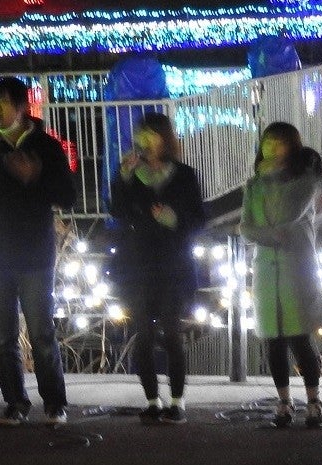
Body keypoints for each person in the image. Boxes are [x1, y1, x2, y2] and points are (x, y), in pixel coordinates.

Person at [0, 76, 76, 426]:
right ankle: (15, 402)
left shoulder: (46, 145)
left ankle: (55, 403)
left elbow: (68, 196)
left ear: (19, 106)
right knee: (3, 336)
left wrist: (35, 175)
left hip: (34, 253)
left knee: (42, 332)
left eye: (1, 104)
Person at [108, 112, 205, 424]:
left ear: (165, 138)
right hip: (137, 264)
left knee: (173, 333)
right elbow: (117, 211)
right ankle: (152, 400)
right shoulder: (131, 173)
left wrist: (174, 219)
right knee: (143, 334)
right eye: (142, 135)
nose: (145, 141)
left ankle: (177, 401)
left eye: (151, 134)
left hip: (173, 265)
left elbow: (199, 219)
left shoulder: (185, 175)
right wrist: (123, 178)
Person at [239, 122, 322, 429]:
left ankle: (314, 400)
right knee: (273, 341)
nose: (272, 148)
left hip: (297, 267)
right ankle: (283, 401)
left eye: (279, 143)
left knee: (300, 338)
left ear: (292, 147)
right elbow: (245, 228)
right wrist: (268, 236)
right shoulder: (254, 185)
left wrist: (265, 232)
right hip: (265, 269)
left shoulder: (305, 182)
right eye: (268, 142)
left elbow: (287, 213)